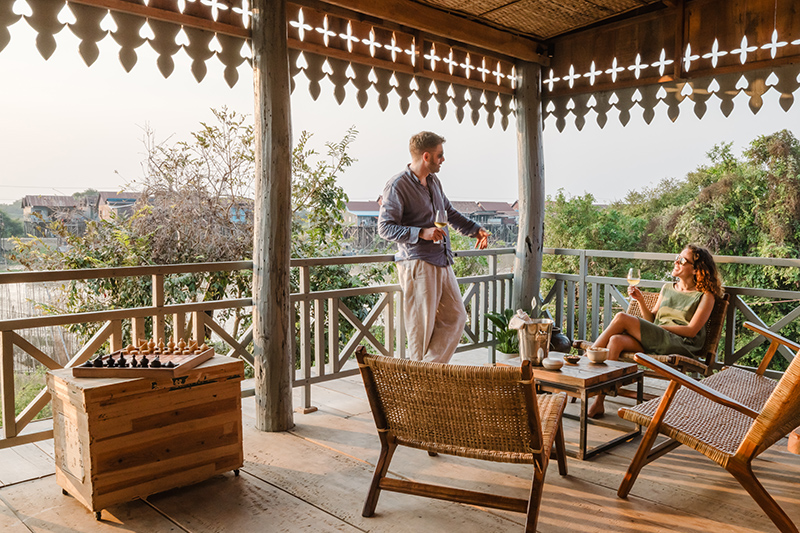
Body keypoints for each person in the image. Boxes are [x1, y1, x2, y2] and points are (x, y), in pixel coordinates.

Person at [378, 131, 490, 363]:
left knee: (457, 316)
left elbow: (448, 213)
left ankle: (428, 372)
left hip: (441, 259)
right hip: (417, 263)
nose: (443, 159)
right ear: (426, 156)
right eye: (440, 155)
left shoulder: (433, 182)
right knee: (421, 331)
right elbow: (385, 228)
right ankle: (419, 389)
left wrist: (474, 229)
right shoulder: (397, 185)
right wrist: (421, 233)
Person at [586, 244, 724, 418]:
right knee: (615, 341)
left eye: (682, 260)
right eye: (677, 257)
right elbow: (652, 320)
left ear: (696, 269)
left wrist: (661, 328)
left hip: (679, 343)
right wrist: (641, 300)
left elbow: (691, 330)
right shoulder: (667, 288)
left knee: (621, 318)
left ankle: (586, 361)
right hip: (658, 337)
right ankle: (599, 402)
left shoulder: (705, 295)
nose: (676, 262)